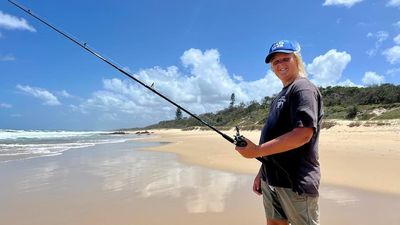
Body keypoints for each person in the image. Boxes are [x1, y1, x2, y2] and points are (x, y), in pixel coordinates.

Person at [235, 40, 323, 225]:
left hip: (295, 182)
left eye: (285, 59)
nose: (280, 64)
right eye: (275, 62)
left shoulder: (302, 88)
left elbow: (303, 134)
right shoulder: (280, 95)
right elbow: (276, 137)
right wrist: (262, 171)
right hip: (272, 178)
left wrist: (257, 151)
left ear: (297, 60)